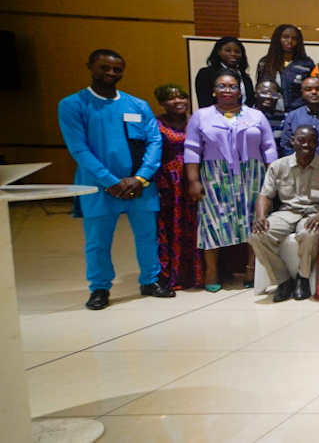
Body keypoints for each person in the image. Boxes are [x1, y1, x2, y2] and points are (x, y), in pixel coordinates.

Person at [61, 50, 174, 309]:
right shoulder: (73, 104)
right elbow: (78, 149)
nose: (111, 73)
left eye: (117, 69)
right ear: (90, 67)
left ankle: (150, 280)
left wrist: (142, 177)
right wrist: (110, 181)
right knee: (98, 241)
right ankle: (100, 288)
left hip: (141, 186)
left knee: (147, 236)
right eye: (104, 68)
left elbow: (154, 142)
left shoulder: (138, 105)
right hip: (97, 187)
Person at [185, 71, 277, 292]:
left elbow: (269, 147)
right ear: (214, 90)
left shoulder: (256, 115)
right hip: (214, 176)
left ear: (240, 91)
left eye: (233, 86)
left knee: (254, 221)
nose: (228, 90)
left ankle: (251, 269)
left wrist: (273, 179)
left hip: (253, 174)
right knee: (212, 222)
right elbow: (191, 148)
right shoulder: (201, 115)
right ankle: (212, 270)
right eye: (222, 86)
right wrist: (193, 180)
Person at [249, 125, 319, 302]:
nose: (306, 144)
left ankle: (303, 278)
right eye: (301, 140)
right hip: (286, 212)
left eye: (311, 141)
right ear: (292, 141)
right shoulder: (279, 165)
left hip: (313, 213)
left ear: (317, 143)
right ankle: (283, 280)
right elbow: (265, 194)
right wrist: (261, 217)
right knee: (257, 236)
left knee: (310, 234)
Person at [152, 84, 201, 290]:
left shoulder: (197, 120)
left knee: (196, 225)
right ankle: (170, 273)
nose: (178, 101)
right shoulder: (156, 123)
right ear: (162, 103)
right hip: (169, 182)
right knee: (171, 225)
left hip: (197, 177)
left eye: (182, 97)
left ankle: (197, 274)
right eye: (172, 98)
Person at [257, 24, 315, 111]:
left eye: (294, 38)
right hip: (271, 113)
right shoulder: (265, 63)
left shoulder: (306, 64)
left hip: (298, 112)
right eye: (285, 37)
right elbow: (260, 89)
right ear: (277, 39)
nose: (289, 41)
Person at [193, 36, 254, 109]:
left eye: (237, 51)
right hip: (215, 117)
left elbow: (250, 102)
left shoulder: (245, 78)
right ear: (219, 51)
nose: (233, 54)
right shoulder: (206, 74)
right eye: (228, 50)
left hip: (243, 118)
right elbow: (204, 102)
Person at [254, 80, 286, 147]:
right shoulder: (245, 116)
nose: (269, 97)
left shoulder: (284, 118)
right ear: (255, 94)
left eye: (274, 94)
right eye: (264, 92)